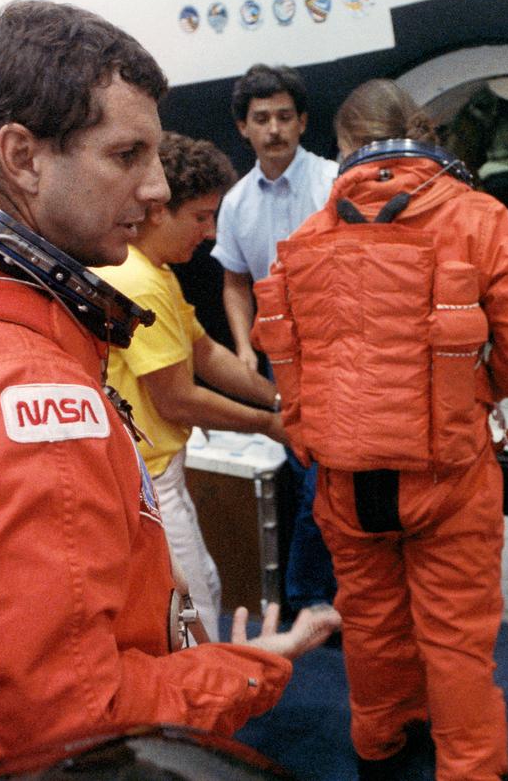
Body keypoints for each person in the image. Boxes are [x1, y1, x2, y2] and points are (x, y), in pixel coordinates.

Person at [0, 0, 338, 781]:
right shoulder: (16, 397)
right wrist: (240, 671)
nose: (158, 188)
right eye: (126, 154)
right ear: (22, 155)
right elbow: (74, 730)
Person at [251, 78, 508, 780]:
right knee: (456, 640)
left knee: (374, 624)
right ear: (426, 136)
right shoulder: (480, 219)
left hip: (346, 479)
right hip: (447, 472)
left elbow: (290, 351)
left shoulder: (307, 237)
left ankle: (381, 747)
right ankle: (470, 767)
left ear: (346, 147)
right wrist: (473, 392)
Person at [93, 132, 287, 643]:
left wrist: (283, 400)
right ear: (158, 212)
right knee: (192, 618)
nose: (209, 232)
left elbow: (207, 353)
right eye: (201, 217)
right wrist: (273, 425)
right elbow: (177, 397)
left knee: (203, 597)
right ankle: (202, 721)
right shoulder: (136, 281)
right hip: (148, 485)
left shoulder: (156, 273)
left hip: (165, 473)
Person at [212, 63, 338, 614]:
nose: (274, 129)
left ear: (303, 121)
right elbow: (234, 281)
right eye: (261, 118)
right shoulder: (237, 202)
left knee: (325, 485)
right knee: (309, 477)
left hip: (342, 357)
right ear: (243, 127)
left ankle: (310, 598)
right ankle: (319, 601)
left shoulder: (334, 183)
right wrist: (243, 348)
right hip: (281, 365)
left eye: (285, 116)